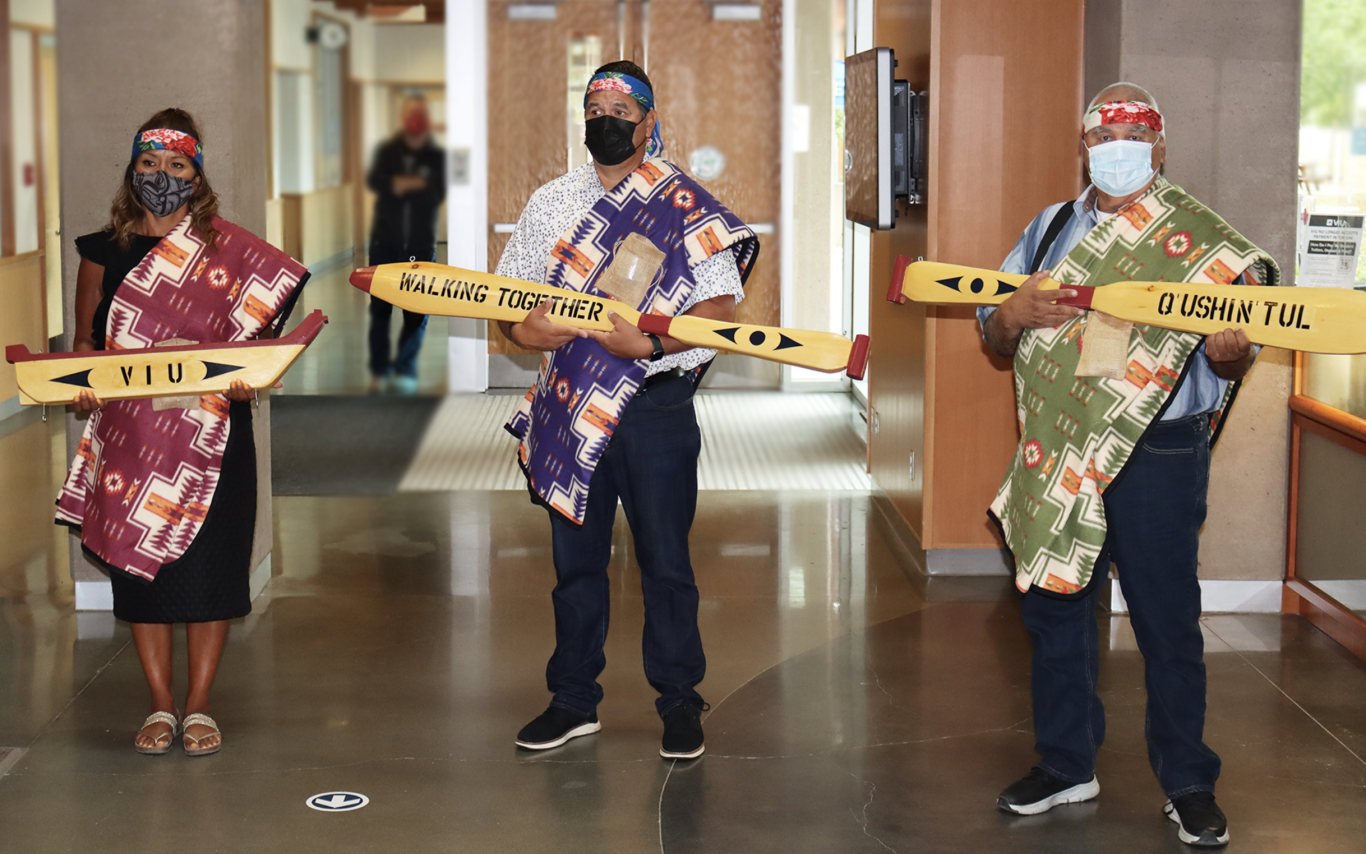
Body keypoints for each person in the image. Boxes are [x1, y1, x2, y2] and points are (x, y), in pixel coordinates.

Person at [973, 83, 1278, 846]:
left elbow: (1236, 356)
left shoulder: (1200, 241)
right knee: (1056, 608)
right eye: (1103, 135)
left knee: (1165, 620)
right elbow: (995, 335)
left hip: (1158, 451)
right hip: (1058, 449)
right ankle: (1066, 762)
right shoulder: (1048, 233)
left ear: (1161, 147)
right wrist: (1008, 315)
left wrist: (1232, 355)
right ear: (1084, 147)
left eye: (1134, 134)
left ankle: (1188, 782)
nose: (1117, 147)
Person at [495, 61, 758, 759]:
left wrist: (649, 340)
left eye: (621, 107)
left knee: (666, 562)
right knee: (575, 565)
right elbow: (507, 305)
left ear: (649, 122)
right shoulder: (552, 202)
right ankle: (573, 700)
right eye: (595, 106)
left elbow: (720, 308)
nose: (605, 118)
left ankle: (679, 702)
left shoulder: (683, 203)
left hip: (653, 409)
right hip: (569, 402)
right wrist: (528, 332)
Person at [60, 109, 309, 757]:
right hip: (131, 441)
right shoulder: (101, 254)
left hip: (209, 437)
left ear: (196, 173)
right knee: (145, 583)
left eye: (176, 165)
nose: (162, 176)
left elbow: (259, 345)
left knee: (208, 569)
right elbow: (86, 345)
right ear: (131, 169)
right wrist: (81, 387)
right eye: (150, 163)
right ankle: (160, 705)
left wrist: (248, 378)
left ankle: (198, 705)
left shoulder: (228, 255)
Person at [365, 94, 445, 394]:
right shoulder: (386, 151)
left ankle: (405, 367)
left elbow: (436, 190)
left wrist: (403, 184)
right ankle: (380, 369)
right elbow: (378, 182)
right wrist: (412, 184)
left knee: (415, 309)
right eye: (412, 115)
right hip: (384, 239)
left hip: (420, 242)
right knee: (380, 310)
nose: (416, 121)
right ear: (403, 119)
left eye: (421, 115)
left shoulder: (436, 156)